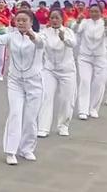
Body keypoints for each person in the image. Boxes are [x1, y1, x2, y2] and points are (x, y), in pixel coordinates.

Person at [0, 10, 44, 165]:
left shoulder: (39, 36)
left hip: (35, 82)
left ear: (31, 22)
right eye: (18, 20)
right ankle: (11, 151)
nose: (21, 23)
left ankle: (26, 149)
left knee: (31, 117)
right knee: (15, 114)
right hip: (15, 82)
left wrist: (32, 34)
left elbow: (40, 43)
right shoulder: (11, 36)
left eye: (24, 20)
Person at [37, 9, 76, 138]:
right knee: (46, 96)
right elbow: (39, 41)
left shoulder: (68, 31)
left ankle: (63, 125)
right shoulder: (45, 32)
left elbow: (73, 44)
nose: (54, 20)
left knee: (66, 99)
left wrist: (63, 38)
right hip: (49, 70)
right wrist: (31, 35)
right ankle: (43, 127)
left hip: (67, 71)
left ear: (62, 19)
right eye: (52, 18)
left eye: (57, 18)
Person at [73, 4, 107, 120]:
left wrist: (106, 25)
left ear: (101, 12)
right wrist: (78, 22)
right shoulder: (85, 22)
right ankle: (83, 110)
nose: (94, 14)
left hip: (100, 57)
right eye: (92, 11)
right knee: (84, 81)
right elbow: (75, 30)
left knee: (98, 83)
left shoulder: (105, 22)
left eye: (96, 12)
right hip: (85, 56)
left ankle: (93, 108)